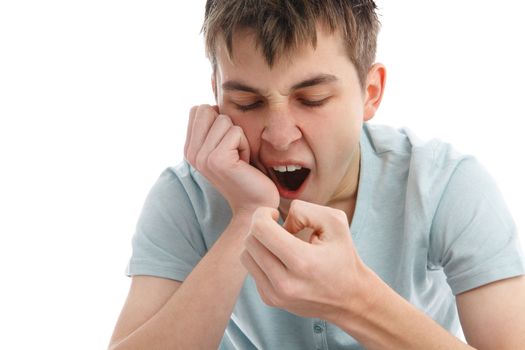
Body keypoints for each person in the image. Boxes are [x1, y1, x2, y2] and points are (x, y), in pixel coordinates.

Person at [108, 1, 525, 349]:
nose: (279, 135)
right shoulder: (186, 197)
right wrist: (246, 216)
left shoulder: (445, 186)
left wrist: (353, 299)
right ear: (216, 95)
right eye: (247, 102)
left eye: (312, 99)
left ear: (370, 93)